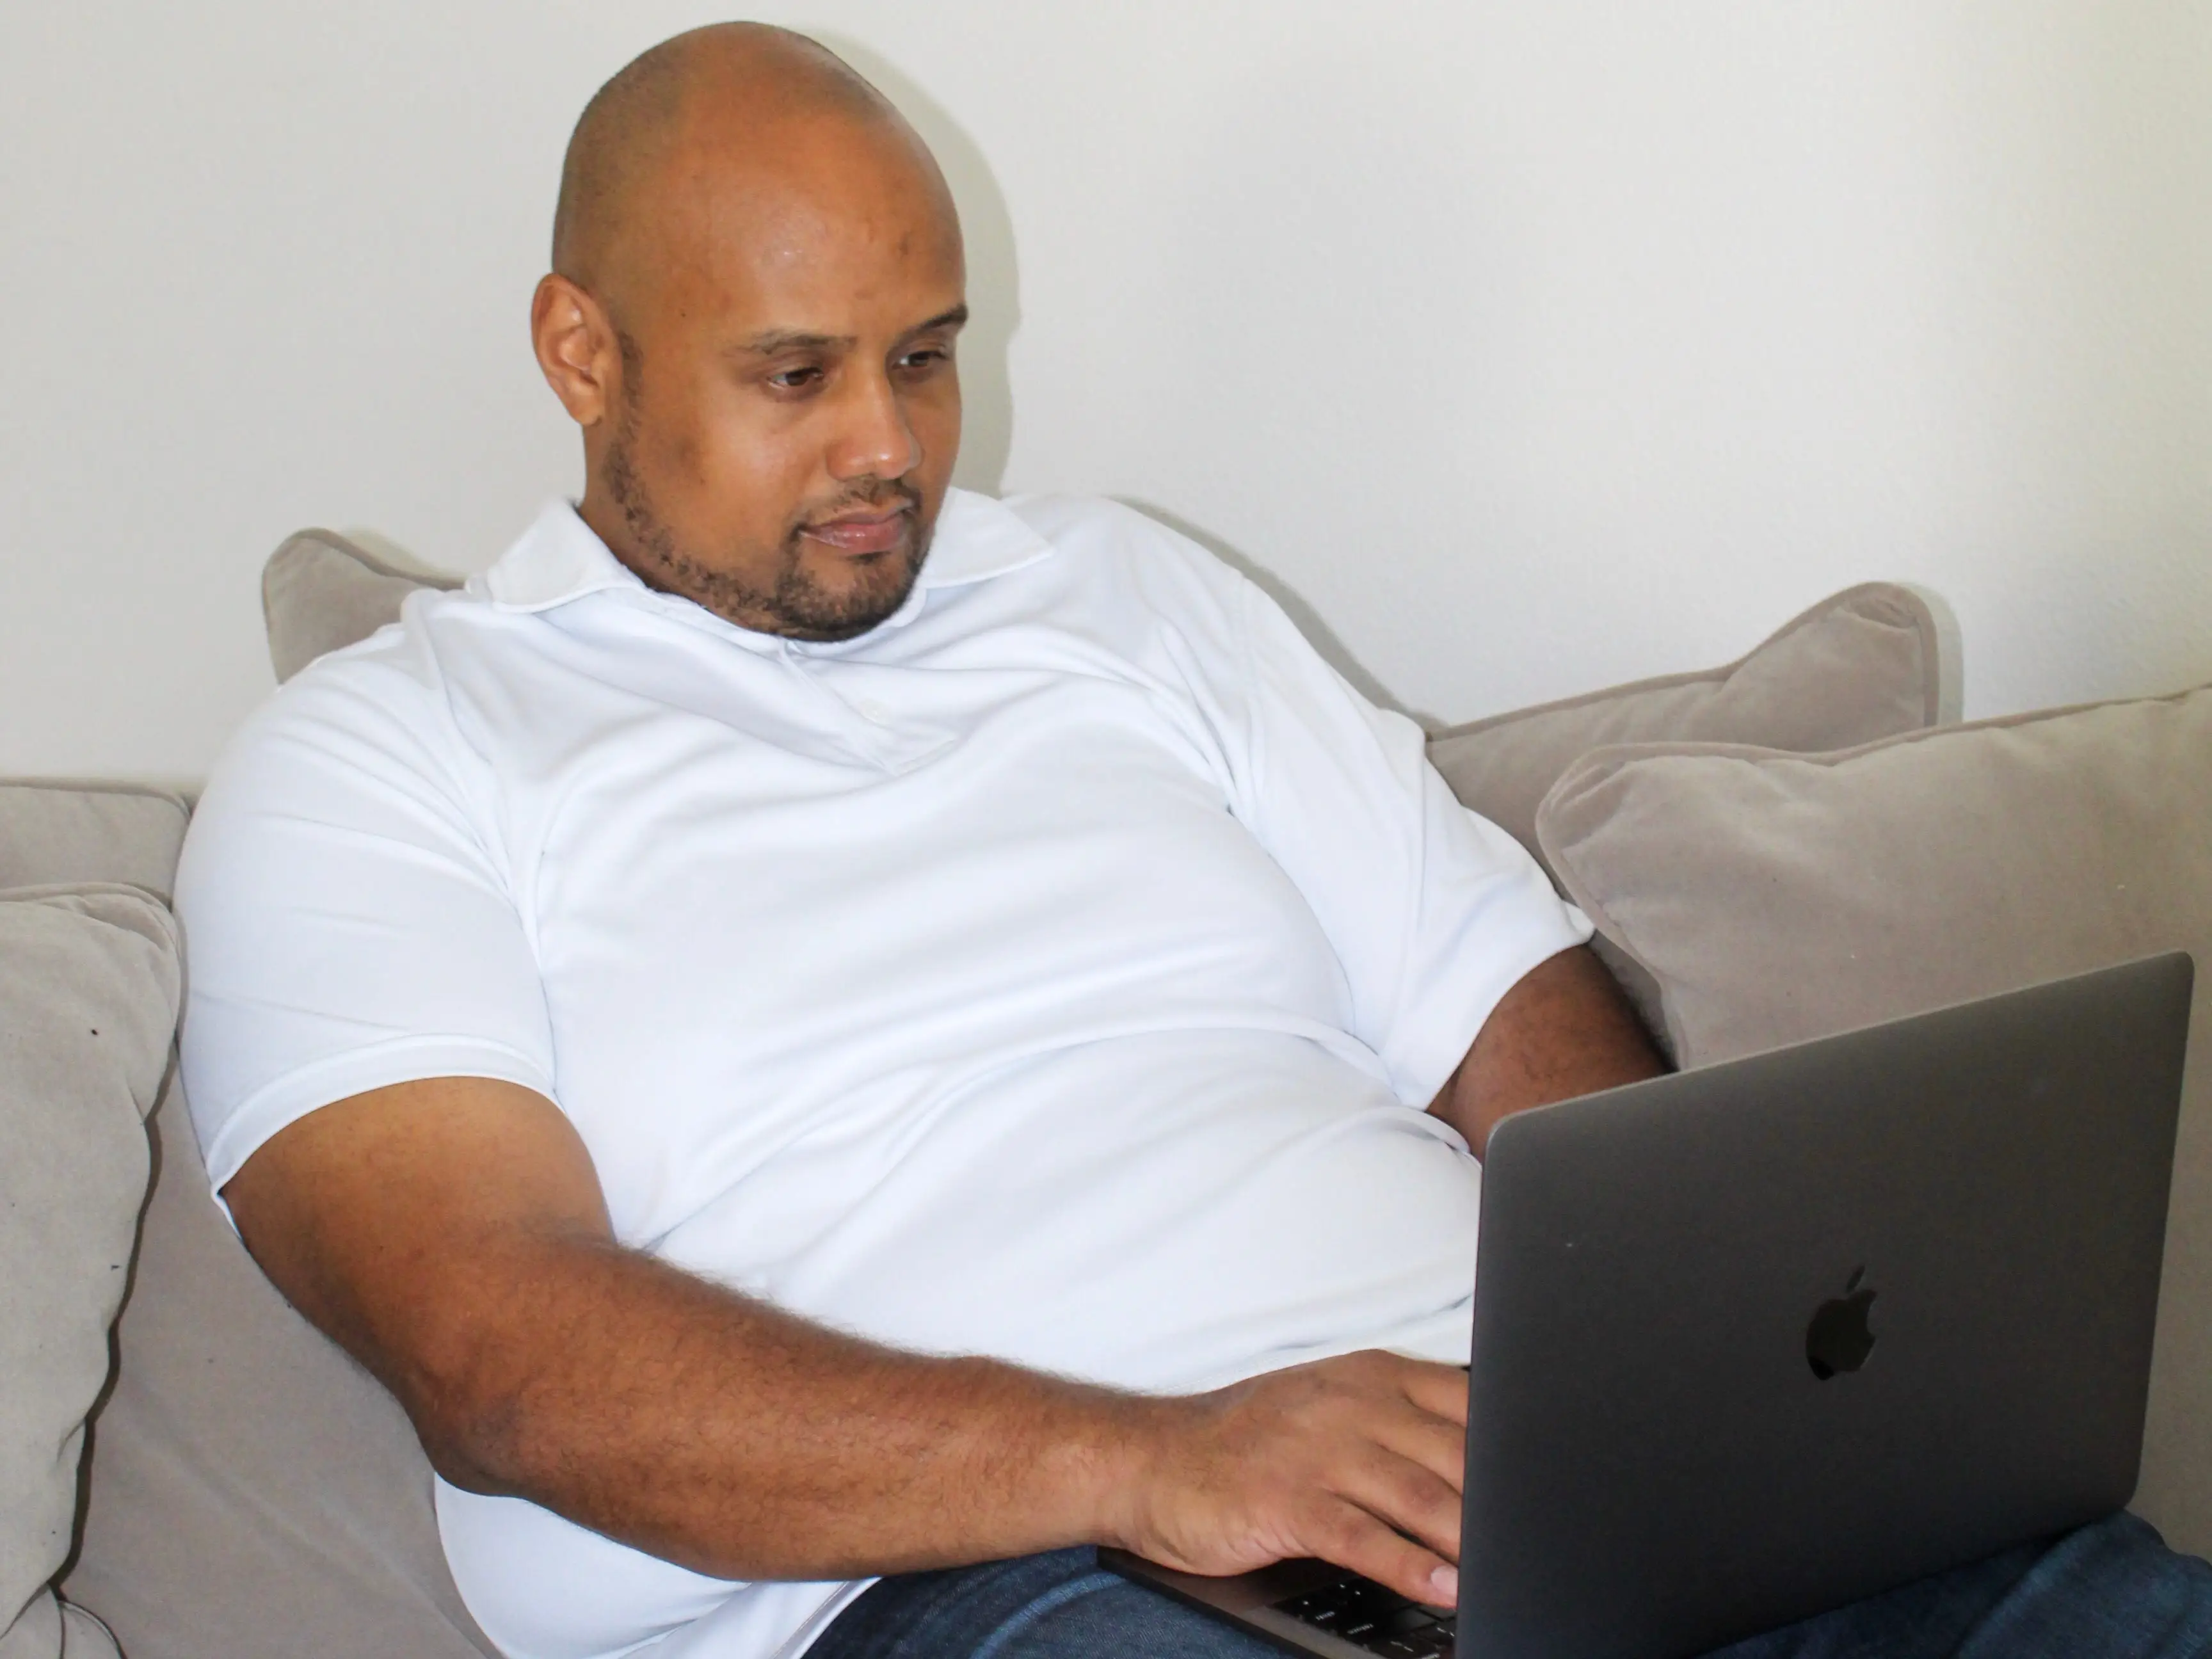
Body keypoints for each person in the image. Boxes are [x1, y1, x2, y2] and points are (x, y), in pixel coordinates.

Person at [175, 23, 2212, 1659]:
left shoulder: (1125, 598)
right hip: (1009, 1583)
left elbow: (1515, 1026)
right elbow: (496, 1359)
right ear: (581, 354)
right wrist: (1158, 1461)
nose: (889, 444)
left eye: (928, 354)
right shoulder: (382, 759)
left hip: (1542, 1502)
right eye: (795, 375)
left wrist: (1688, 1394)